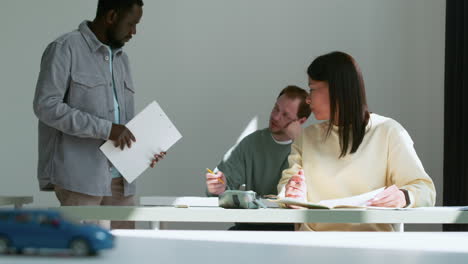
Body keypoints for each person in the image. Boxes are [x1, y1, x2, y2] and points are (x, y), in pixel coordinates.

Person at [33, 0, 165, 229]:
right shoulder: (65, 48)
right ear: (111, 16)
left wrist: (144, 150)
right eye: (131, 23)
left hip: (121, 179)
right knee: (85, 251)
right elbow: (46, 106)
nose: (134, 32)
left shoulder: (123, 60)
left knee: (126, 253)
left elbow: (121, 125)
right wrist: (106, 129)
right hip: (80, 179)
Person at [278, 51, 436, 231]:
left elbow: (425, 189)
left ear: (337, 90)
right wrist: (290, 194)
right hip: (312, 247)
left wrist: (404, 196)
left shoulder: (387, 131)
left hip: (372, 250)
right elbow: (287, 185)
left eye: (312, 89)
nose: (308, 99)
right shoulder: (306, 138)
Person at [206, 85, 311, 230]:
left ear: (301, 121)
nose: (275, 117)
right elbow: (221, 183)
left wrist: (299, 140)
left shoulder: (309, 148)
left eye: (285, 115)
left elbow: (316, 195)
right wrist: (219, 188)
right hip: (252, 227)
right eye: (276, 108)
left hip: (291, 230)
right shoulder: (251, 143)